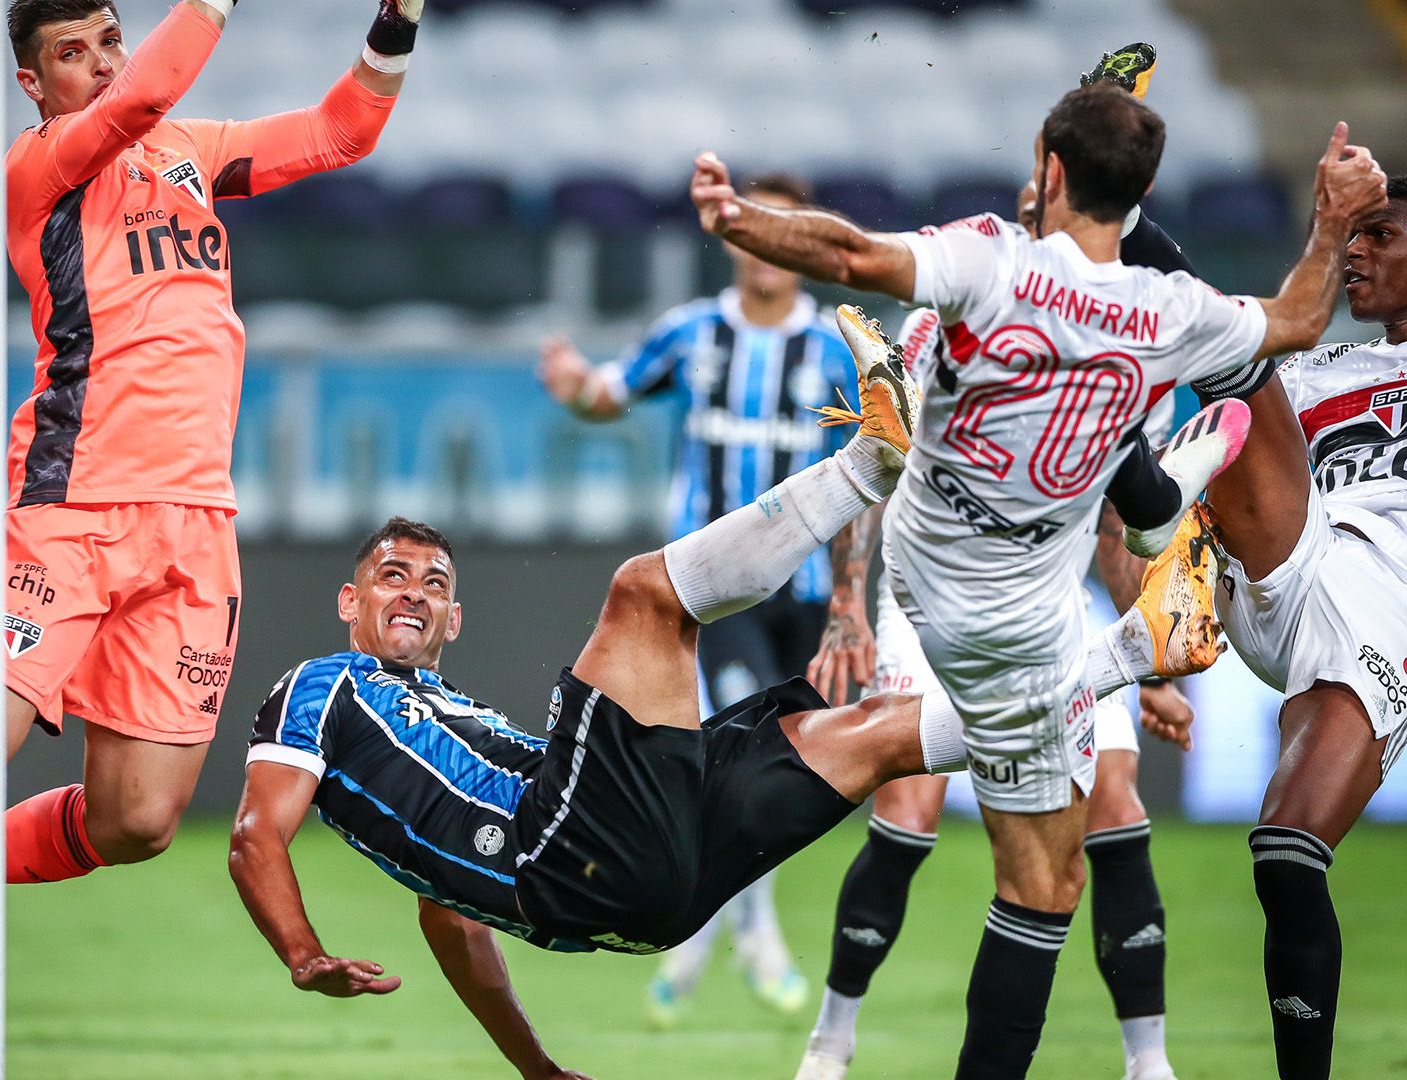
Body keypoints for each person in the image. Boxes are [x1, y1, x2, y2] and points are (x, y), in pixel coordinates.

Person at [226, 323, 1225, 1077]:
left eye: (436, 584)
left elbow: (453, 920)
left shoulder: (443, 729)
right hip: (568, 852)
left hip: (646, 892)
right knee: (644, 596)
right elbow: (253, 837)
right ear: (349, 601)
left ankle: (1132, 652)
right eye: (393, 577)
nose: (415, 592)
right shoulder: (316, 689)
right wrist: (301, 952)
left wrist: (534, 1071)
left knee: (876, 737)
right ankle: (871, 462)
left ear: (454, 623)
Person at [0, 0, 419, 1074]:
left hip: (196, 525)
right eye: (76, 53)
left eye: (114, 39)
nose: (105, 66)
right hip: (71, 512)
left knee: (139, 822)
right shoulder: (39, 169)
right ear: (32, 83)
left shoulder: (194, 155)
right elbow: (152, 90)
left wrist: (398, 22)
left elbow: (346, 129)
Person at [690, 83, 1388, 1076]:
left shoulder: (987, 261)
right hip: (1014, 623)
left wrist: (738, 214)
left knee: (1131, 546)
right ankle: (1155, 568)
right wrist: (1333, 219)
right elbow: (1299, 321)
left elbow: (848, 255)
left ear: (1050, 172)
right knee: (1041, 884)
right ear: (1143, 192)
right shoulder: (1170, 309)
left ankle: (1152, 559)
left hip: (935, 568)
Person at [795, 170, 1203, 1080]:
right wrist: (847, 603)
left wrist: (1156, 672)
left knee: (1118, 808)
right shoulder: (946, 317)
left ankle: (1150, 1063)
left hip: (1049, 611)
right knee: (909, 809)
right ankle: (831, 1040)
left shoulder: (1123, 350)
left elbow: (1115, 528)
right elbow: (881, 449)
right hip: (929, 596)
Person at [1172, 171, 1407, 1079]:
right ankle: (1106, 208)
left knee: (1285, 855)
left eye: (1378, 238)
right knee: (1234, 361)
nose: (1357, 255)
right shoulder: (1320, 371)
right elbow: (1261, 363)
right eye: (1348, 239)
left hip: (1401, 601)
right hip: (1292, 564)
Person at [537, 170, 855, 1022]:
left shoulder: (833, 349)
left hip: (810, 591)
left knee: (775, 756)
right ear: (736, 238)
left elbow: (874, 473)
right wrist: (574, 386)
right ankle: (748, 935)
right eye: (757, 229)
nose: (768, 249)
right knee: (736, 716)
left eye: (788, 231)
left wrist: (857, 598)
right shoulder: (692, 333)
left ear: (804, 246)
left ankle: (709, 937)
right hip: (711, 588)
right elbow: (614, 391)